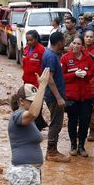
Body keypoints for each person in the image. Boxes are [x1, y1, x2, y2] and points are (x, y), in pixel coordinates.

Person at [5, 69, 51, 185]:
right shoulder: (19, 115)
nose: (35, 105)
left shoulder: (26, 119)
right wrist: (43, 86)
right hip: (24, 172)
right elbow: (33, 113)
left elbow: (34, 113)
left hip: (28, 172)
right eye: (31, 101)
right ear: (22, 102)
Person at [61, 34, 94, 156]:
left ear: (82, 46)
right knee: (72, 121)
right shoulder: (65, 58)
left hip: (86, 96)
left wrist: (86, 74)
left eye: (78, 44)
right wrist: (74, 75)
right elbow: (62, 77)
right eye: (74, 43)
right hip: (72, 96)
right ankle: (73, 145)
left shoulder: (88, 58)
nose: (75, 46)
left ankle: (81, 146)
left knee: (85, 121)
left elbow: (92, 72)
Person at [41, 31, 68, 162]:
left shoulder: (50, 53)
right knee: (56, 123)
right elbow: (50, 78)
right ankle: (51, 152)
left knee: (56, 122)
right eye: (63, 42)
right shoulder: (51, 57)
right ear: (59, 42)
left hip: (51, 94)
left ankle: (52, 150)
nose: (64, 44)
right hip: (53, 96)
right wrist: (59, 97)